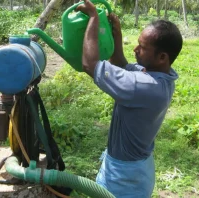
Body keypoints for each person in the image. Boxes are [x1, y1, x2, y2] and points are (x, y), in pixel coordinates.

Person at [77, 0, 183, 197]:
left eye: (142, 47)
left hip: (124, 177)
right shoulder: (161, 76)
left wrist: (93, 18)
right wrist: (117, 33)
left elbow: (90, 65)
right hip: (138, 168)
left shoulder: (143, 85)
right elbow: (120, 64)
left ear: (162, 57)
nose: (135, 49)